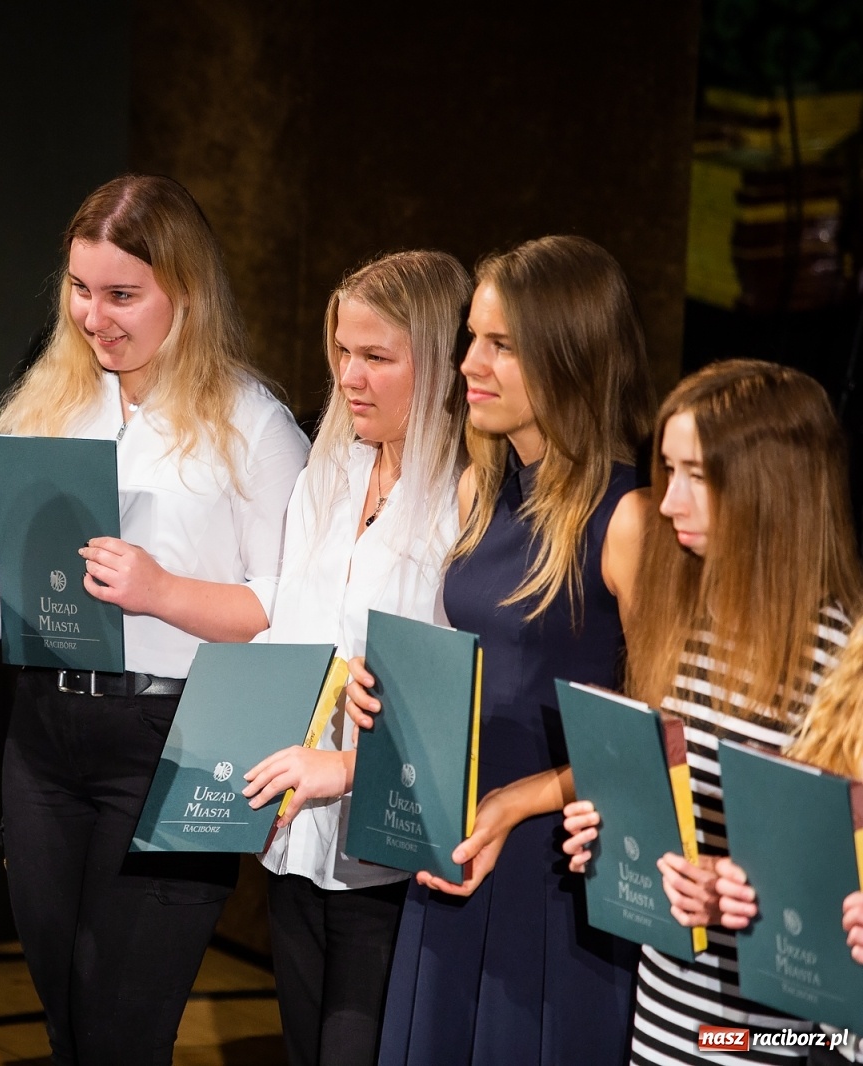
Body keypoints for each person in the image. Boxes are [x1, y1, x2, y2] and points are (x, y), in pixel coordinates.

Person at [0, 174, 309, 1064]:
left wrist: (162, 592)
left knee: (124, 1031)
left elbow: (294, 612)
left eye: (122, 295)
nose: (94, 316)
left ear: (184, 294)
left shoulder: (253, 427)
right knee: (69, 1022)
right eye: (80, 289)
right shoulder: (55, 400)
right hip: (43, 737)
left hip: (177, 742)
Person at [347, 235, 655, 1065]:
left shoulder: (628, 520)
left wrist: (523, 801)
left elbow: (662, 734)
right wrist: (384, 701)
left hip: (556, 873)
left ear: (569, 355)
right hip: (458, 851)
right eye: (473, 340)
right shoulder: (479, 488)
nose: (469, 364)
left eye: (502, 345)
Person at [559, 360, 861, 1065]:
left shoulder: (841, 666)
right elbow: (677, 833)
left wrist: (747, 894)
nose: (668, 503)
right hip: (665, 1023)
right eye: (669, 471)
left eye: (697, 475)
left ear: (769, 486)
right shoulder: (685, 628)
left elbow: (834, 903)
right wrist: (614, 838)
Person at [238, 250, 471, 1066]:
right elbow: (291, 633)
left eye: (377, 357)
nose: (350, 376)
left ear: (442, 364)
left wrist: (353, 760)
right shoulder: (329, 471)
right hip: (294, 840)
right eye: (342, 351)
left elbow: (457, 688)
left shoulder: (467, 501)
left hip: (394, 854)